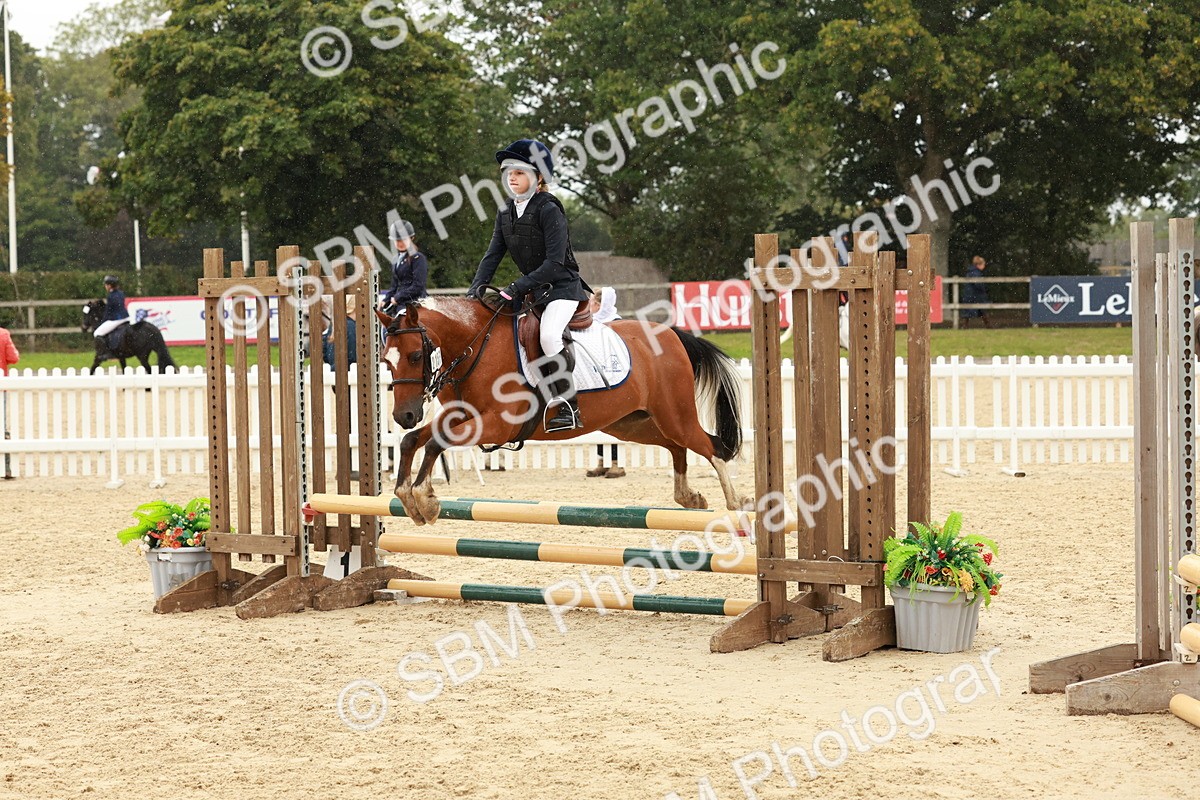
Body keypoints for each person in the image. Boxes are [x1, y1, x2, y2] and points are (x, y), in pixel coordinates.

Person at [466, 138, 590, 433]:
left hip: (562, 288)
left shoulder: (549, 209)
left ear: (538, 178)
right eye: (509, 171)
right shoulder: (505, 212)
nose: (512, 177)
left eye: (520, 171)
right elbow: (492, 254)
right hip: (534, 291)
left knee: (548, 336)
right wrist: (475, 289)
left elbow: (555, 263)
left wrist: (516, 286)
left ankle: (569, 404)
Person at [585, 287, 625, 478]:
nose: (589, 305)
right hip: (598, 375)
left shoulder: (616, 323)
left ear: (599, 305)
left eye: (592, 302)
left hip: (615, 376)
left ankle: (617, 463)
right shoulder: (594, 323)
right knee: (601, 420)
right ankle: (602, 460)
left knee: (615, 420)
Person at [378, 219, 428, 315]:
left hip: (414, 303)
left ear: (411, 238)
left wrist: (398, 297)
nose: (400, 243)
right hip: (399, 303)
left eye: (403, 240)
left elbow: (418, 286)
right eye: (397, 240)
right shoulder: (396, 259)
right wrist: (386, 299)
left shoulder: (418, 258)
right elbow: (394, 285)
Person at [93, 275, 131, 342]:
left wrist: (102, 322)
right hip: (126, 317)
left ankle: (105, 351)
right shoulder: (121, 293)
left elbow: (108, 311)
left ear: (109, 285)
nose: (105, 286)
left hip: (116, 320)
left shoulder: (111, 296)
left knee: (97, 333)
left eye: (106, 285)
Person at [961, 255, 992, 328]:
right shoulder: (976, 273)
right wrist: (983, 289)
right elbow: (978, 284)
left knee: (969, 311)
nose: (984, 266)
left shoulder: (971, 271)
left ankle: (965, 326)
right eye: (983, 264)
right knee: (981, 310)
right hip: (975, 295)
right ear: (979, 265)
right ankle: (988, 325)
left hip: (970, 294)